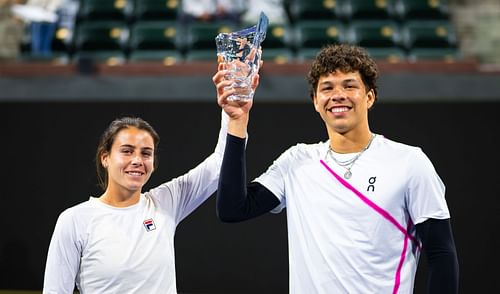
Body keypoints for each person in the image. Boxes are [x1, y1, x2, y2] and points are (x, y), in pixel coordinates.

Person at [214, 44, 459, 293]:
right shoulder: (296, 161)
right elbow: (232, 209)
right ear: (316, 102)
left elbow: (441, 254)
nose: (338, 95)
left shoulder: (409, 162)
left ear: (369, 97)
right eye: (327, 88)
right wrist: (237, 121)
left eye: (349, 85)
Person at [43, 110, 231, 293]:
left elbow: (221, 163)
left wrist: (232, 112)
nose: (137, 160)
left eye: (146, 153)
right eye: (127, 151)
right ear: (105, 158)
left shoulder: (166, 202)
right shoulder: (75, 220)